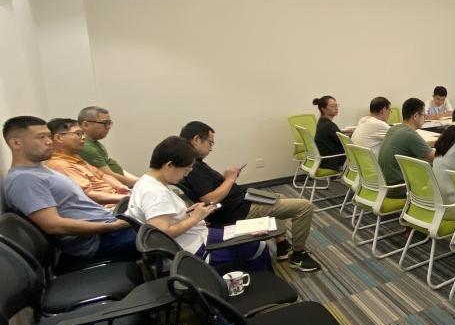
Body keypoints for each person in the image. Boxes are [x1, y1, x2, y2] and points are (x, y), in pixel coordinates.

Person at [177, 121, 321, 272]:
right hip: (239, 210)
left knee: (279, 197)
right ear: (196, 140)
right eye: (210, 143)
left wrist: (225, 178)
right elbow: (210, 199)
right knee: (305, 207)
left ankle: (282, 245)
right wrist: (230, 179)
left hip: (240, 201)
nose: (211, 148)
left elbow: (208, 190)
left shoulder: (193, 163)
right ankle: (298, 256)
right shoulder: (193, 167)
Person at [2, 115, 137, 267]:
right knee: (159, 231)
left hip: (107, 228)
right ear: (16, 143)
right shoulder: (24, 179)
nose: (49, 141)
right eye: (41, 137)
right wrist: (115, 225)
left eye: (48, 136)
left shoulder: (40, 171)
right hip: (99, 241)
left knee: (155, 218)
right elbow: (54, 225)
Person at [128, 136, 272, 271]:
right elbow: (162, 232)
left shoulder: (145, 181)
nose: (185, 175)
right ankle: (256, 285)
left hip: (193, 239)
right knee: (258, 246)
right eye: (185, 170)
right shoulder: (156, 193)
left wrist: (189, 214)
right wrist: (195, 218)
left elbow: (163, 218)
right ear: (170, 165)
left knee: (246, 235)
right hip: (195, 249)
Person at [45, 118, 131, 206]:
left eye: (83, 133)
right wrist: (127, 198)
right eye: (78, 133)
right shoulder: (61, 165)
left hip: (118, 199)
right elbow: (89, 195)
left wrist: (120, 187)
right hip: (109, 208)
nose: (83, 137)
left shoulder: (75, 157)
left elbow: (102, 175)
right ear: (59, 138)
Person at [378, 98, 435, 193]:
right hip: (399, 188)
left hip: (384, 185)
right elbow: (435, 157)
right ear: (415, 116)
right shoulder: (409, 134)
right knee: (438, 166)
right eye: (424, 115)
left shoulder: (393, 129)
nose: (424, 118)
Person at [78, 105, 138, 187]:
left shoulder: (95, 143)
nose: (108, 127)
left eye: (109, 123)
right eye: (105, 123)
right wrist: (140, 184)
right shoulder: (85, 147)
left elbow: (112, 166)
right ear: (86, 125)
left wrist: (139, 181)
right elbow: (109, 176)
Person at [311, 95, 345, 171]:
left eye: (336, 105)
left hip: (324, 159)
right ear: (323, 109)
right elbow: (345, 142)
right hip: (331, 161)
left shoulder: (322, 122)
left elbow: (336, 136)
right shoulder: (329, 125)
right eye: (332, 106)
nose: (336, 108)